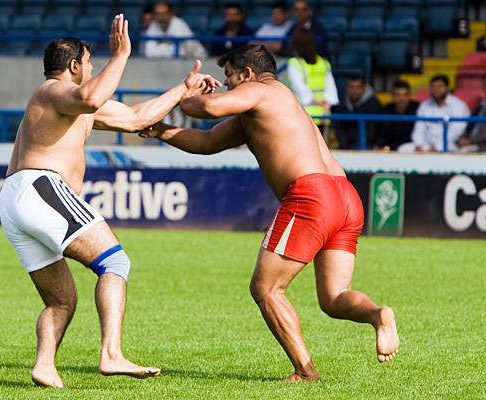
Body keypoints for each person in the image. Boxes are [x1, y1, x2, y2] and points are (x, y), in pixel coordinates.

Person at [139, 44, 399, 381]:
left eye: (229, 77)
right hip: (345, 196)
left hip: (311, 197)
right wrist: (161, 131)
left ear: (247, 74)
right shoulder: (274, 104)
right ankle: (379, 316)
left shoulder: (261, 91)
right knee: (334, 298)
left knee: (266, 289)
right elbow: (206, 143)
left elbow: (209, 108)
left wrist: (185, 93)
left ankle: (305, 371)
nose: (226, 85)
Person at [0, 16, 220, 388]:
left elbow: (136, 119)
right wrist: (122, 54)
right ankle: (112, 354)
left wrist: (183, 89)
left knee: (62, 300)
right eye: (89, 62)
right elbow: (90, 95)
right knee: (115, 261)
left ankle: (44, 366)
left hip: (18, 201)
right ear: (74, 66)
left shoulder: (74, 105)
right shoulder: (53, 90)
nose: (92, 68)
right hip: (40, 189)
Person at [286, 27, 338, 129]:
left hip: (308, 115)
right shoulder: (323, 62)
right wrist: (326, 104)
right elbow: (331, 89)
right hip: (318, 113)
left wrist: (325, 106)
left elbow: (299, 88)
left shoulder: (294, 64)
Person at [408, 74, 469, 152]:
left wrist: (438, 147)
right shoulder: (424, 105)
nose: (436, 89)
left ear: (447, 88)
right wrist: (419, 145)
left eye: (439, 86)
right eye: (433, 87)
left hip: (450, 145)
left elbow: (455, 132)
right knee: (403, 149)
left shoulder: (459, 105)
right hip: (426, 146)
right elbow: (419, 129)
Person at [330, 75, 382, 149]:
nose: (354, 90)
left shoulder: (373, 104)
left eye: (358, 87)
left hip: (367, 146)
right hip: (345, 146)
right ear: (347, 88)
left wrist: (361, 145)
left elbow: (373, 129)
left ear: (363, 88)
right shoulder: (341, 104)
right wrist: (345, 145)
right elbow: (338, 128)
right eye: (351, 87)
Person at [143, 1, 207, 59]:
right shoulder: (154, 25)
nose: (161, 17)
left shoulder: (178, 24)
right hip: (173, 62)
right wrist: (168, 49)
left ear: (171, 13)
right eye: (158, 14)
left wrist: (159, 48)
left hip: (197, 58)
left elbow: (181, 52)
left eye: (164, 13)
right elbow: (149, 52)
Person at [374, 80, 419, 151]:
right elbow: (382, 135)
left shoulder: (418, 109)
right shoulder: (385, 110)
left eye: (405, 95)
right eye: (398, 95)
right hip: (390, 150)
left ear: (410, 95)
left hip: (412, 149)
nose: (402, 99)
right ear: (392, 95)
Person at [457, 77, 486, 152]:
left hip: (481, 146)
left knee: (463, 152)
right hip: (473, 144)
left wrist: (472, 141)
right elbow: (469, 126)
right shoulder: (481, 105)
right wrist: (463, 138)